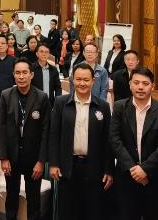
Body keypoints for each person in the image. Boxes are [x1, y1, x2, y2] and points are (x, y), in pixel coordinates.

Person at [49, 62, 114, 220]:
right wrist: (53, 163)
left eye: (86, 80)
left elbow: (108, 141)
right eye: (78, 79)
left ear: (93, 81)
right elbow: (54, 135)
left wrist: (109, 170)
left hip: (94, 168)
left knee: (92, 212)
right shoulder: (61, 103)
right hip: (67, 167)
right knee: (68, 212)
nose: (82, 83)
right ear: (72, 80)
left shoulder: (103, 106)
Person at [110, 66, 158, 220]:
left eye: (145, 83)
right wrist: (134, 169)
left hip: (155, 179)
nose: (140, 87)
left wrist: (145, 169)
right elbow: (114, 139)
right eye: (136, 82)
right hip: (126, 178)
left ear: (152, 86)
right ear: (130, 85)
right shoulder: (119, 107)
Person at [0, 58, 50, 220]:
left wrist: (41, 161)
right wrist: (3, 157)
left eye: (24, 72)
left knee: (33, 198)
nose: (21, 76)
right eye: (18, 73)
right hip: (11, 156)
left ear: (31, 74)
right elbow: (1, 127)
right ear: (13, 75)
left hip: (33, 158)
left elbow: (46, 131)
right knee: (11, 197)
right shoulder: (6, 95)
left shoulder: (42, 97)